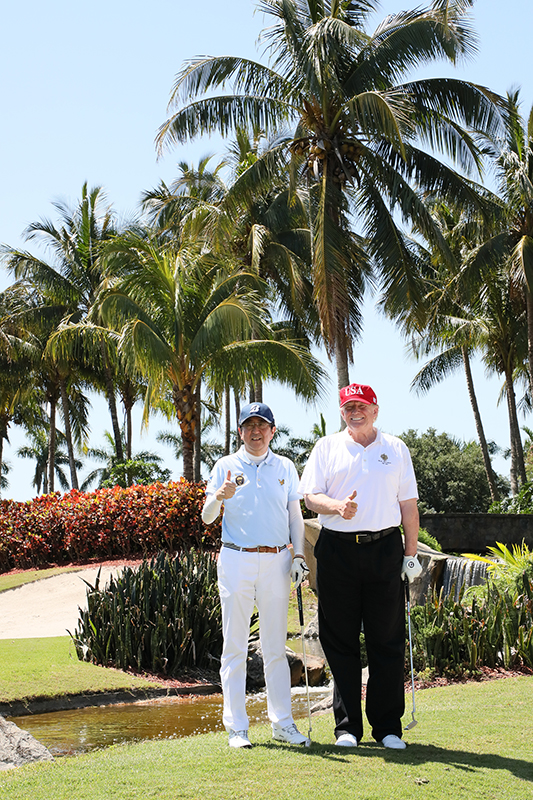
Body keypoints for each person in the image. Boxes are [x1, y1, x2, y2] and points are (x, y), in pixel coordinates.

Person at [298, 383, 422, 750]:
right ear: (342, 412)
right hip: (337, 550)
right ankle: (348, 728)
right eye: (348, 407)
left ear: (375, 409)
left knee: (386, 639)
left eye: (361, 406)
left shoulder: (395, 448)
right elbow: (310, 496)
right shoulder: (327, 447)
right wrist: (336, 507)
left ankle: (387, 728)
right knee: (340, 641)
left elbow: (409, 507)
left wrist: (411, 555)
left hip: (384, 547)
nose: (355, 412)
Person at [202, 402, 309, 749]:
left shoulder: (286, 467)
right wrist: (219, 496)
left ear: (272, 431)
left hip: (277, 561)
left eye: (262, 425)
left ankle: (282, 723)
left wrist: (299, 555)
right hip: (236, 559)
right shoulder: (225, 467)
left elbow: (295, 515)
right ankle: (237, 728)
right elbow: (206, 517)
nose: (256, 431)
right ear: (240, 432)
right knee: (234, 645)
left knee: (276, 647)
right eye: (249, 426)